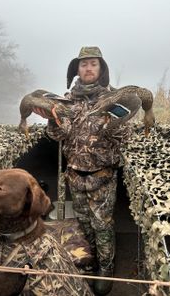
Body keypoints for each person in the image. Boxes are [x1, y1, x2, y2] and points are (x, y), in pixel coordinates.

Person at [32, 46, 153, 295]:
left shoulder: (117, 97)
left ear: (101, 69)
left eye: (93, 64)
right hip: (75, 176)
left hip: (102, 177)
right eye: (84, 64)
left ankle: (106, 269)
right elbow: (59, 135)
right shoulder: (67, 100)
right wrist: (52, 119)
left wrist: (114, 124)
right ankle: (93, 260)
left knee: (102, 225)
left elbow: (124, 137)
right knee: (85, 223)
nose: (88, 68)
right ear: (77, 69)